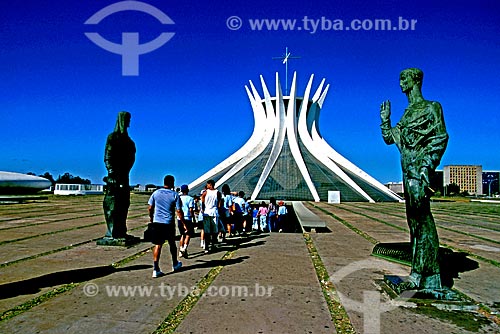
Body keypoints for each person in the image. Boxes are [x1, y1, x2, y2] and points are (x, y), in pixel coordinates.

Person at [380, 68, 449, 293]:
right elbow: (392, 139)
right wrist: (385, 120)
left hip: (418, 172)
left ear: (415, 80)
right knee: (414, 223)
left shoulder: (432, 107)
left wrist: (427, 164)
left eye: (404, 78)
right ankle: (418, 273)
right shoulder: (407, 113)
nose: (400, 83)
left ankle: (429, 275)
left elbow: (440, 137)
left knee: (423, 221)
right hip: (406, 171)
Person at [102, 111, 136, 240]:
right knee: (112, 204)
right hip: (114, 177)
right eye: (127, 119)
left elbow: (131, 157)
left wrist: (125, 171)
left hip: (124, 176)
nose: (129, 122)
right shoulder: (112, 137)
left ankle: (121, 230)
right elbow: (108, 156)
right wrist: (111, 172)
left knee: (124, 204)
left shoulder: (129, 141)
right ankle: (112, 232)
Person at [147, 175, 184, 278]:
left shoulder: (156, 193)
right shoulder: (175, 195)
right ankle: (175, 263)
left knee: (158, 245)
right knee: (172, 244)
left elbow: (150, 207)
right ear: (172, 183)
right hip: (168, 223)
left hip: (157, 222)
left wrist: (151, 218)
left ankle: (155, 268)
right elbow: (179, 211)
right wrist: (184, 223)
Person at [201, 179, 221, 253]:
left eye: (207, 184)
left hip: (207, 212)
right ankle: (213, 244)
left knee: (207, 231)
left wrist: (203, 209)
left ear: (210, 184)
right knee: (214, 230)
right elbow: (219, 203)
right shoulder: (218, 193)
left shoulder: (205, 193)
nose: (207, 186)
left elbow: (202, 201)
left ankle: (206, 246)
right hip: (214, 212)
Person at [178, 184, 195, 259]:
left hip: (180, 218)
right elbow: (191, 209)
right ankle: (184, 248)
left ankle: (180, 250)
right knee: (188, 234)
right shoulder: (190, 199)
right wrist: (193, 217)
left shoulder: (179, 198)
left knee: (182, 235)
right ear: (187, 190)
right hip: (187, 218)